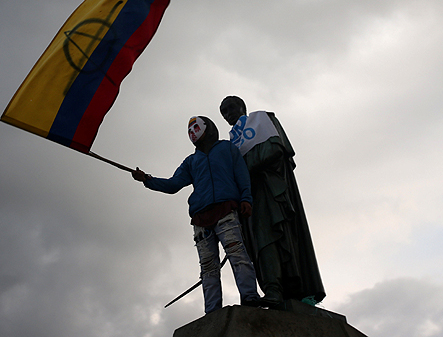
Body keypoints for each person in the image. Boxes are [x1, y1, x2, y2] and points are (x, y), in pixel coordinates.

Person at [131, 116, 261, 314]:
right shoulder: (191, 162)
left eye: (195, 127)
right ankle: (213, 312)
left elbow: (242, 175)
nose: (192, 132)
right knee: (208, 267)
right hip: (201, 219)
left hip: (226, 210)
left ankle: (250, 298)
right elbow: (173, 184)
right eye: (189, 129)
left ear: (208, 128)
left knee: (237, 255)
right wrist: (147, 179)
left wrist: (246, 199)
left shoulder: (227, 149)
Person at [219, 96, 325, 306]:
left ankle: (284, 288)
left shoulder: (261, 120)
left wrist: (242, 169)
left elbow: (276, 148)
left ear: (242, 107)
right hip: (250, 198)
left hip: (272, 191)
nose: (228, 113)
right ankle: (272, 288)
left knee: (277, 238)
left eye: (231, 108)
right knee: (259, 243)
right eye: (224, 112)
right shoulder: (231, 143)